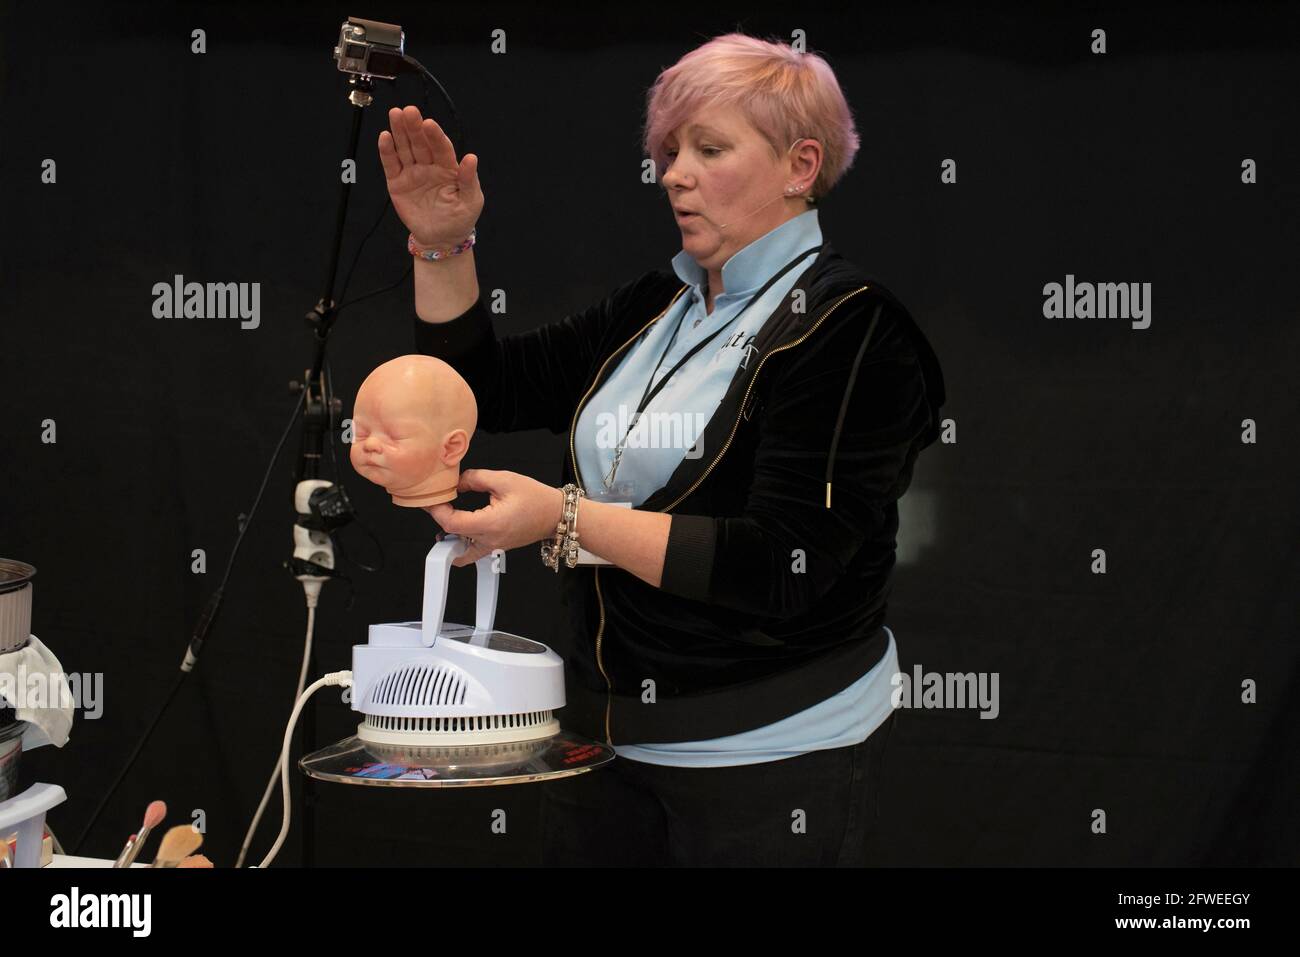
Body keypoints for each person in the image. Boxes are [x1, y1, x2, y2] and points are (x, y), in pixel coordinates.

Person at [377, 32, 946, 866]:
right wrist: (443, 243)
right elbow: (481, 390)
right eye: (670, 149)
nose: (674, 172)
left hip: (770, 758)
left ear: (801, 164)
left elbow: (781, 563)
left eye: (708, 149)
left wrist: (563, 517)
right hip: (611, 743)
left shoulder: (852, 327)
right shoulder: (663, 299)